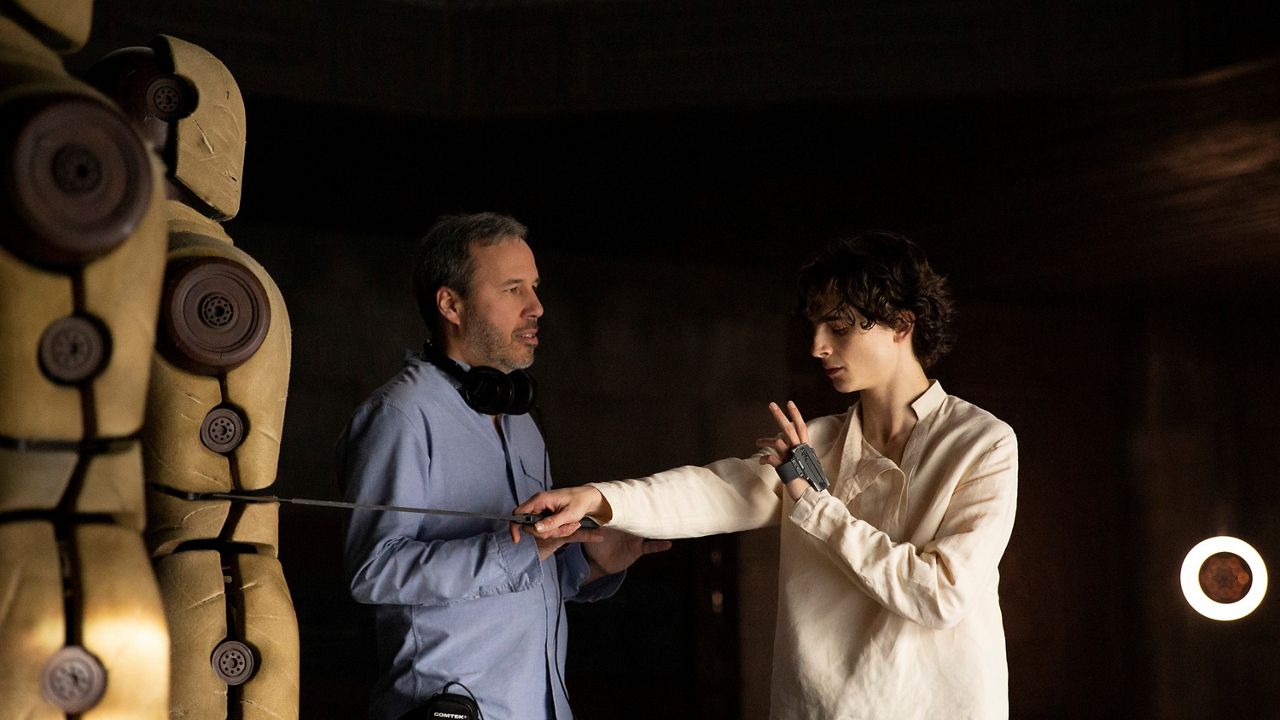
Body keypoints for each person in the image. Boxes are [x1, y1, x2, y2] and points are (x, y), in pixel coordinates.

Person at [515, 231, 1018, 719]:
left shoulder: (981, 443)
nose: (818, 346)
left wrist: (813, 500)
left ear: (902, 325)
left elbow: (940, 594)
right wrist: (595, 498)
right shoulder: (815, 441)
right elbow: (715, 490)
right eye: (815, 327)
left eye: (839, 327)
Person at [339, 212, 669, 720]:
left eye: (534, 287)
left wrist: (597, 560)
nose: (537, 307)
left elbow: (527, 574)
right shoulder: (400, 416)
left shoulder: (522, 425)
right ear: (451, 304)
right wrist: (518, 551)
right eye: (514, 289)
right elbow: (374, 572)